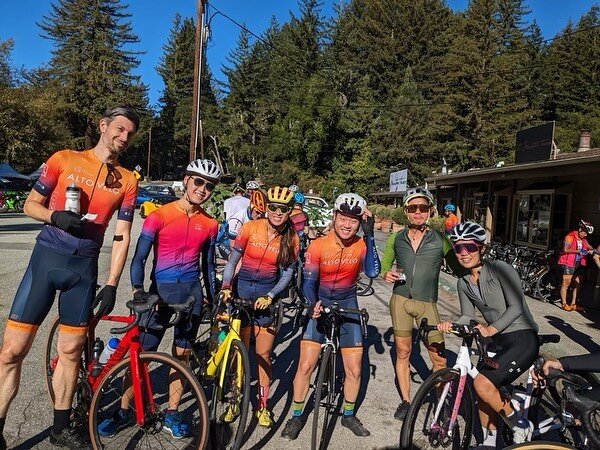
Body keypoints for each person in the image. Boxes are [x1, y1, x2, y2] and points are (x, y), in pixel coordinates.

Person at [0, 106, 140, 449]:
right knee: (11, 352)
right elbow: (30, 204)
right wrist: (55, 217)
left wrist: (111, 283)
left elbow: (121, 234)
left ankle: (60, 428)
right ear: (103, 125)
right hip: (46, 259)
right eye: (119, 130)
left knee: (72, 351)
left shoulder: (128, 180)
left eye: (130, 134)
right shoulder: (63, 159)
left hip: (84, 269)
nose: (123, 138)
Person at [96, 159, 221, 438]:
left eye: (209, 186)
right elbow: (139, 258)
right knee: (140, 357)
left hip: (191, 296)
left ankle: (173, 412)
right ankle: (124, 409)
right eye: (198, 181)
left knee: (182, 355)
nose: (203, 189)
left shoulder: (210, 224)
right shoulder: (159, 216)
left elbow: (209, 267)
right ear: (186, 180)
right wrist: (138, 289)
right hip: (159, 295)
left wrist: (212, 300)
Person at [280, 193, 380, 440]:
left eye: (354, 221)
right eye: (343, 218)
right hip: (321, 304)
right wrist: (313, 304)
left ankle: (347, 415)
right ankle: (296, 416)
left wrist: (369, 234)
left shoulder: (361, 244)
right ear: (334, 217)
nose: (347, 225)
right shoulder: (318, 245)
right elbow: (309, 283)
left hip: (349, 306)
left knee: (354, 370)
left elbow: (372, 272)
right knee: (305, 365)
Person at [438, 222, 539, 447]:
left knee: (483, 384)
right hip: (497, 341)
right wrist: (450, 324)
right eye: (458, 249)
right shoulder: (463, 282)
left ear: (481, 248)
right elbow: (466, 316)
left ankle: (520, 425)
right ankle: (489, 441)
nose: (464, 254)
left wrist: (490, 328)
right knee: (482, 388)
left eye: (470, 247)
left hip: (521, 336)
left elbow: (516, 306)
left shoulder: (500, 268)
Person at [380, 186, 464, 421]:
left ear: (430, 211)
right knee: (403, 351)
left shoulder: (440, 239)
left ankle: (441, 402)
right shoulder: (396, 237)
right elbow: (385, 264)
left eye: (423, 208)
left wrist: (473, 256)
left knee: (438, 357)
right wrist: (386, 273)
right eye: (413, 208)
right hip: (401, 302)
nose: (418, 212)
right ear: (406, 211)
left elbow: (459, 268)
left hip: (427, 304)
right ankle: (406, 401)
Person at [219, 186, 299, 427]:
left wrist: (272, 295)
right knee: (238, 354)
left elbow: (287, 274)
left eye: (282, 209)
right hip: (241, 295)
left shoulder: (291, 238)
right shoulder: (250, 228)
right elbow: (233, 261)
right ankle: (234, 400)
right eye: (273, 207)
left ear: (289, 212)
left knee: (262, 355)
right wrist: (225, 286)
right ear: (266, 207)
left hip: (266, 300)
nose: (277, 212)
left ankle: (263, 406)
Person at [558, 219, 594, 311]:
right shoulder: (570, 236)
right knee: (566, 283)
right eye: (585, 233)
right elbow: (565, 250)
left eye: (586, 234)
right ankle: (564, 303)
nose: (585, 235)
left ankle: (574, 304)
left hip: (578, 264)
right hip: (568, 263)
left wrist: (593, 250)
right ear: (580, 230)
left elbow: (589, 246)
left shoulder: (584, 240)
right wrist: (579, 251)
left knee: (578, 284)